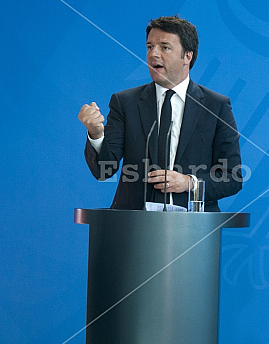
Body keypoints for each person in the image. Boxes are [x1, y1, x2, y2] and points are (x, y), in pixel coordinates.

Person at [78, 15, 242, 211]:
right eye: (149, 47)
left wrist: (189, 183)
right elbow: (103, 171)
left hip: (195, 229)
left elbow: (232, 177)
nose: (153, 54)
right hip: (133, 228)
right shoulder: (125, 102)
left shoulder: (216, 106)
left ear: (187, 56)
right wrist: (96, 134)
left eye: (164, 47)